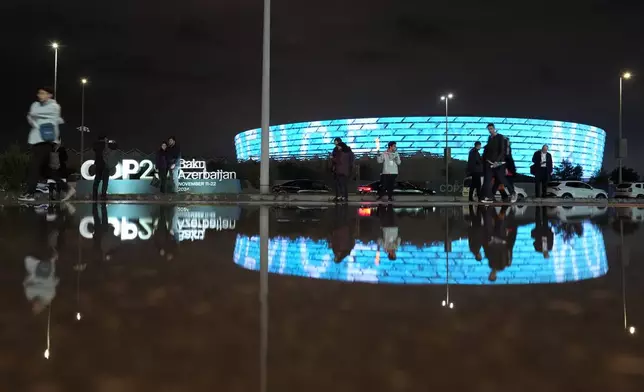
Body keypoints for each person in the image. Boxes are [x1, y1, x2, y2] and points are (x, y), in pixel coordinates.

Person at [19, 87, 73, 202]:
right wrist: (33, 117)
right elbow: (30, 118)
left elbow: (34, 113)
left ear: (50, 95)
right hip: (35, 141)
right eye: (39, 93)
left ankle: (30, 193)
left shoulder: (54, 106)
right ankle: (67, 188)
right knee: (46, 171)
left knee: (34, 166)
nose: (40, 95)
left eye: (43, 93)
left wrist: (33, 115)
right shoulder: (35, 104)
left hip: (47, 142)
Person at [481, 123, 516, 204]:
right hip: (489, 163)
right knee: (487, 180)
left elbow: (502, 151)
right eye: (489, 129)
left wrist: (496, 162)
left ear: (494, 128)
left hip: (498, 163)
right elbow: (489, 150)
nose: (490, 130)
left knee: (501, 178)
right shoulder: (489, 138)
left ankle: (512, 193)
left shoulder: (500, 137)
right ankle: (489, 197)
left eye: (491, 129)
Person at [92, 136, 118, 200]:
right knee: (105, 181)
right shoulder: (107, 145)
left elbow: (95, 151)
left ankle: (94, 196)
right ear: (105, 139)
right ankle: (103, 195)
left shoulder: (96, 145)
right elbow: (113, 148)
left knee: (97, 180)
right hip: (105, 165)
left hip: (98, 164)